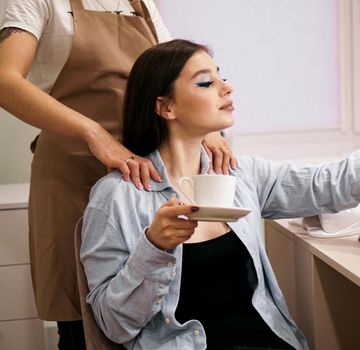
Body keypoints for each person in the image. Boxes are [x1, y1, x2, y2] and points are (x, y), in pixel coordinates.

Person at [80, 39, 360, 350]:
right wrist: (153, 248)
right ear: (165, 107)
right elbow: (114, 327)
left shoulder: (240, 174)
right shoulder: (116, 198)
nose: (227, 88)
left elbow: (328, 181)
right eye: (206, 83)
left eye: (222, 77)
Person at [0, 1, 236, 349]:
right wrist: (93, 132)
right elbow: (5, 81)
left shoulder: (140, 5)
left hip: (143, 175)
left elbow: (171, 72)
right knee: (84, 323)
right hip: (71, 176)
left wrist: (208, 129)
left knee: (150, 303)